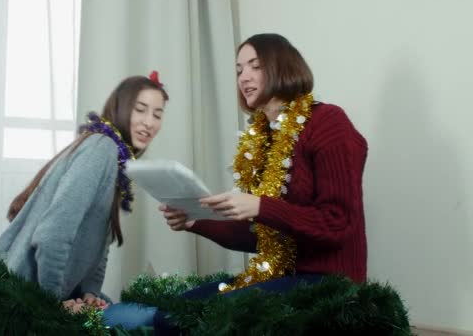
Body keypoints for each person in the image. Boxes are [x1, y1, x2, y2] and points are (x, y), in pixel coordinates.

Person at [104, 33, 368, 332]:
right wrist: (196, 221)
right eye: (239, 69)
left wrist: (260, 206)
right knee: (178, 309)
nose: (244, 77)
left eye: (254, 66)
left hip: (327, 283)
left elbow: (339, 224)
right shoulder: (263, 139)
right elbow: (259, 238)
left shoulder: (329, 122)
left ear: (281, 65)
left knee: (192, 319)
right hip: (279, 274)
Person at [0, 72, 168, 312]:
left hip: (53, 293)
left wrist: (90, 292)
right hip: (22, 299)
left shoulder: (115, 158)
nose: (149, 122)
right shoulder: (101, 149)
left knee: (133, 314)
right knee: (143, 320)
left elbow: (99, 242)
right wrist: (53, 304)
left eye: (157, 115)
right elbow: (51, 235)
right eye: (140, 109)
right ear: (121, 107)